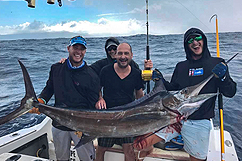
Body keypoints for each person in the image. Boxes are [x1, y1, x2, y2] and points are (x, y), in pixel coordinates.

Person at [133, 27, 237, 161]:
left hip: (198, 122)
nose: (195, 43)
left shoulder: (217, 63)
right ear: (186, 45)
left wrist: (224, 78)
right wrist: (160, 80)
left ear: (203, 40)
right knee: (140, 143)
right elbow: (173, 89)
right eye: (190, 40)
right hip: (173, 117)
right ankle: (158, 147)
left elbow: (230, 92)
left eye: (198, 38)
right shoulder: (181, 66)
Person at [29, 36, 100, 161]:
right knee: (61, 158)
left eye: (82, 49)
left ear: (85, 51)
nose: (78, 52)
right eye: (75, 48)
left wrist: (85, 127)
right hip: (59, 124)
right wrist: (41, 101)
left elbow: (92, 104)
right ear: (68, 48)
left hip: (80, 127)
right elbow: (49, 88)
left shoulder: (91, 75)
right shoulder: (56, 68)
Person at [95, 42, 145, 161]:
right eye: (120, 53)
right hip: (108, 117)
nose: (123, 56)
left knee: (128, 149)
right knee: (101, 148)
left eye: (126, 53)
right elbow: (98, 88)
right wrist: (100, 98)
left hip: (127, 117)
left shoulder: (136, 73)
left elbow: (139, 95)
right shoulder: (105, 71)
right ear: (115, 55)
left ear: (131, 55)